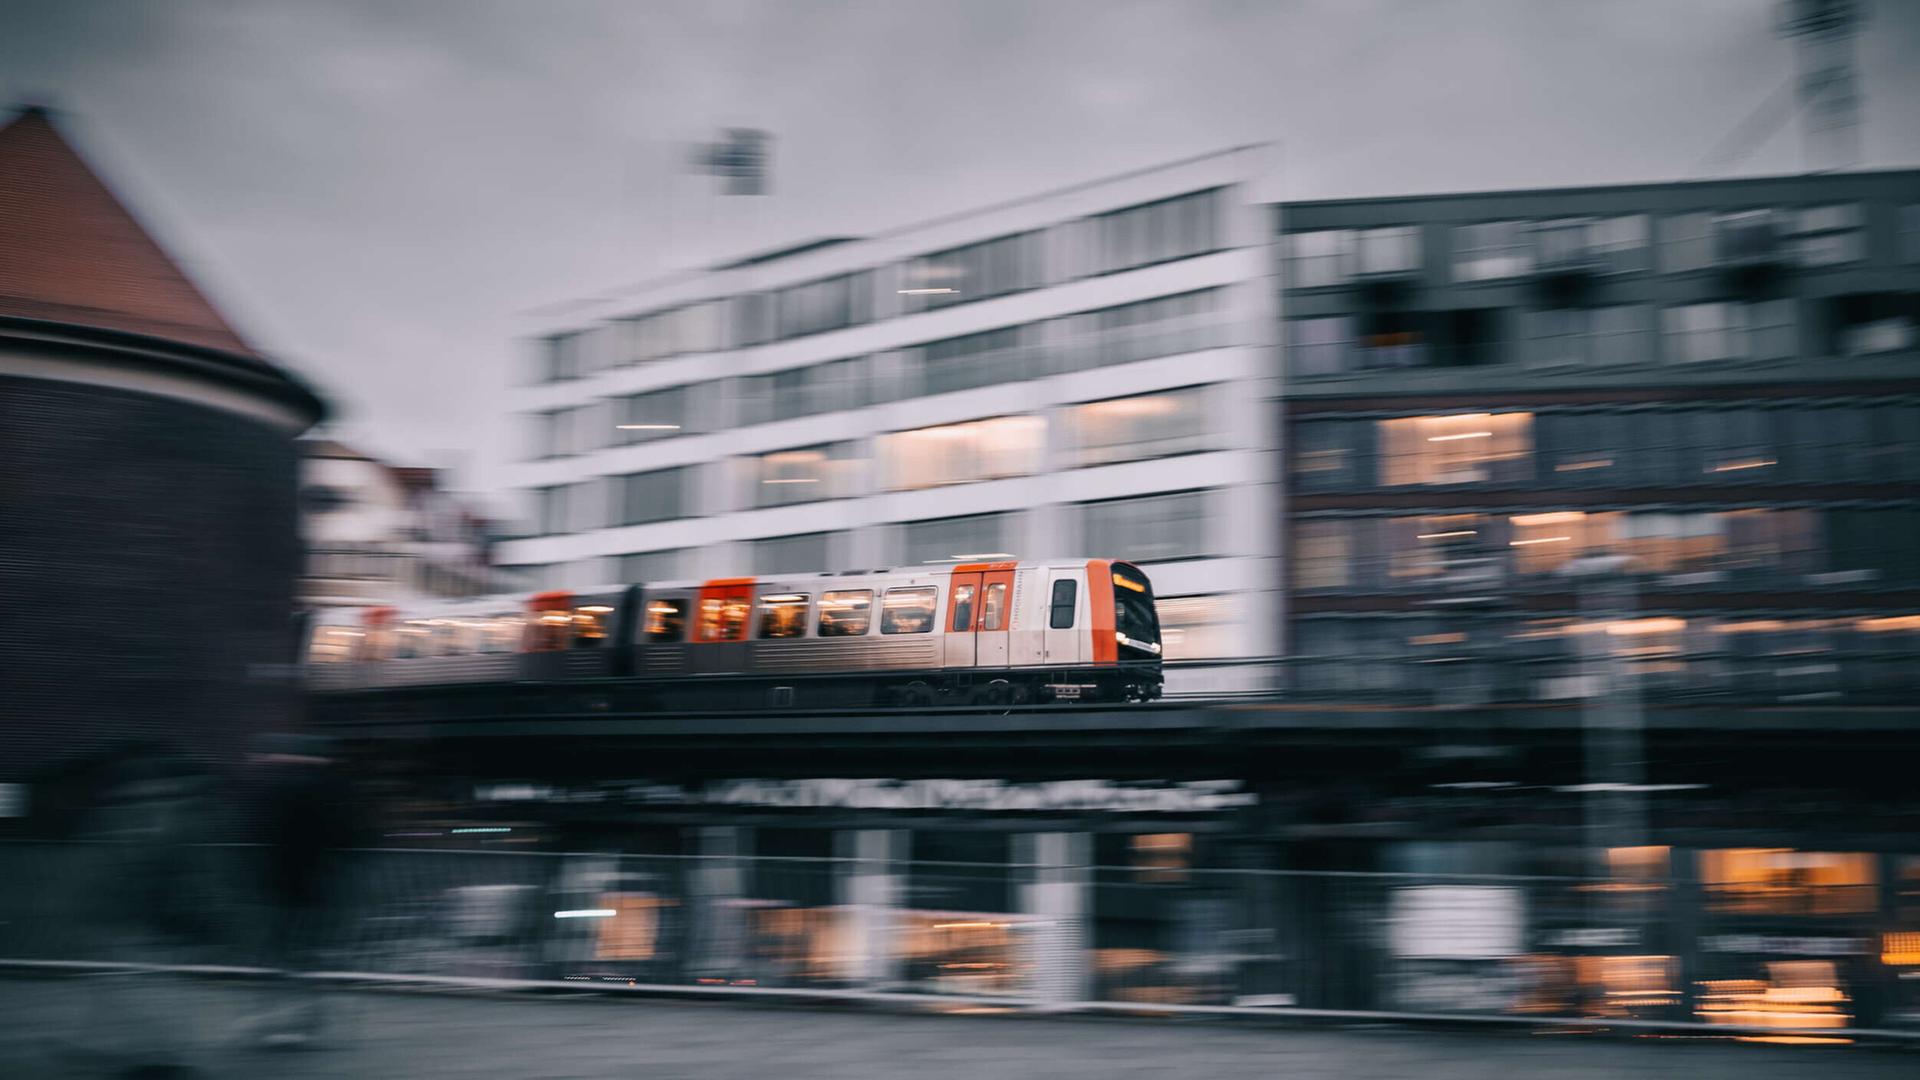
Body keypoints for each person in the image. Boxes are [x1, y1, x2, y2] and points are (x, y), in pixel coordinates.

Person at [245, 733, 361, 1048]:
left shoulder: (279, 790)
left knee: (279, 954)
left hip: (282, 884)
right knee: (304, 955)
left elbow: (261, 833)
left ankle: (275, 1017)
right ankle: (306, 1018)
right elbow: (348, 836)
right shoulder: (331, 790)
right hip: (318, 884)